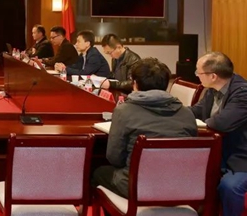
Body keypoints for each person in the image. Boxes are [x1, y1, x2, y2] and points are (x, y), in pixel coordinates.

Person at [92, 58, 197, 199]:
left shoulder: (124, 111)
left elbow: (115, 158)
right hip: (181, 186)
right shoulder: (187, 113)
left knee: (97, 171)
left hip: (137, 186)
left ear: (134, 84)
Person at [190, 52, 247, 216]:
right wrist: (176, 114)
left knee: (229, 186)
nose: (196, 75)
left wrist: (204, 122)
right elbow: (197, 111)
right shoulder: (213, 90)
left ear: (213, 76)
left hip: (241, 155)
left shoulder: (242, 93)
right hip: (221, 150)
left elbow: (221, 123)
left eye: (198, 72)